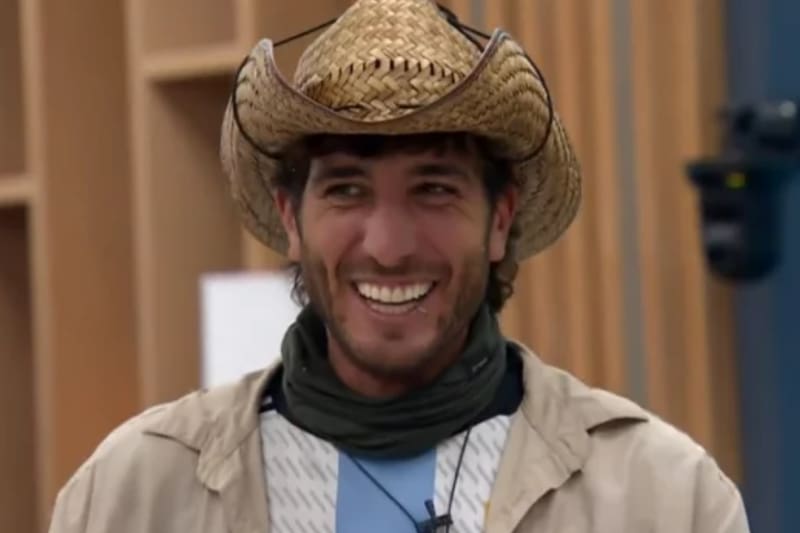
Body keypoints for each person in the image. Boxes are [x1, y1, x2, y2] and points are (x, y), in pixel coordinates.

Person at [48, 0, 750, 531]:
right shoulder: (135, 493)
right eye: (346, 189)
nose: (387, 246)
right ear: (291, 218)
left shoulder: (661, 497)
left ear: (499, 219)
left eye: (434, 188)